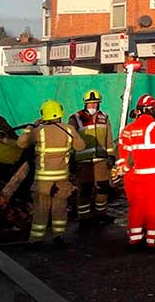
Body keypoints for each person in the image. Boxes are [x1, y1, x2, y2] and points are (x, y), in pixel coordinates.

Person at [17, 100, 86, 245]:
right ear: (60, 113)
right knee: (60, 208)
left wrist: (31, 126)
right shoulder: (68, 130)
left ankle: (36, 240)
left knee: (41, 209)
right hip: (62, 178)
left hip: (43, 181)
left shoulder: (39, 131)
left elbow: (20, 143)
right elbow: (81, 146)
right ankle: (59, 236)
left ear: (44, 115)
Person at [115, 94, 155, 248]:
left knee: (136, 206)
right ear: (152, 110)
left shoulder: (128, 130)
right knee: (154, 207)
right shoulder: (154, 128)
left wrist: (124, 170)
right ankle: (153, 240)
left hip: (134, 177)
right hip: (154, 176)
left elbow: (123, 153)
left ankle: (134, 239)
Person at [68, 89, 115, 226]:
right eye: (90, 104)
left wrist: (111, 156)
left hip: (100, 160)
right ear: (85, 104)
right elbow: (71, 139)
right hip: (83, 162)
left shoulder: (104, 117)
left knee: (103, 188)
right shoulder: (75, 118)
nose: (93, 106)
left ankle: (101, 214)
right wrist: (71, 158)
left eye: (95, 103)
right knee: (85, 190)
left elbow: (109, 139)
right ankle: (84, 218)